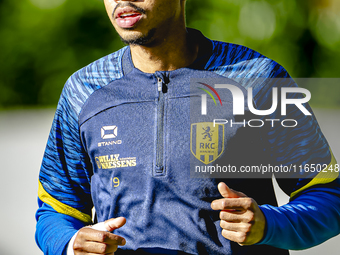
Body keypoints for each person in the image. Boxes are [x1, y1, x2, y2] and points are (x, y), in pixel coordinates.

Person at [35, 0, 340, 254]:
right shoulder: (84, 90)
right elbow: (56, 210)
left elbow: (328, 197)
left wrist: (269, 225)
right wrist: (70, 242)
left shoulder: (258, 78)